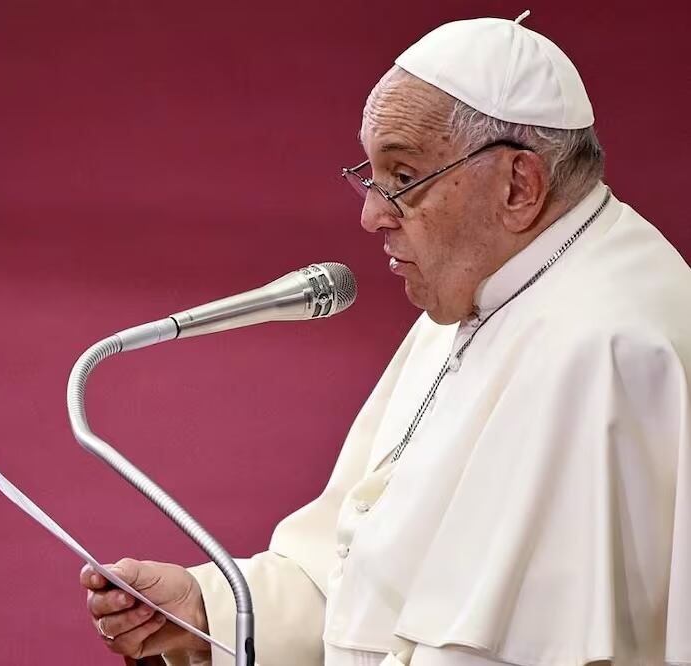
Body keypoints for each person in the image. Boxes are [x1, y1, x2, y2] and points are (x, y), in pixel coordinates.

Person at [80, 13, 691, 666]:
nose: (372, 215)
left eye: (403, 179)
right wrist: (214, 609)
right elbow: (362, 575)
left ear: (518, 185)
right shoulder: (490, 282)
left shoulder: (606, 350)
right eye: (370, 177)